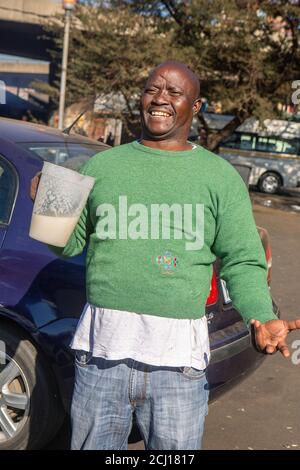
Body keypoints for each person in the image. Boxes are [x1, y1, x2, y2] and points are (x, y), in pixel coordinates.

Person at [30, 60, 300, 450]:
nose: (160, 99)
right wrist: (50, 209)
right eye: (152, 89)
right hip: (101, 358)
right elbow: (70, 245)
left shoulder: (218, 177)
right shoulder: (102, 166)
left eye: (175, 93)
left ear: (197, 106)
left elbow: (243, 258)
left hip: (178, 366)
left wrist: (261, 314)